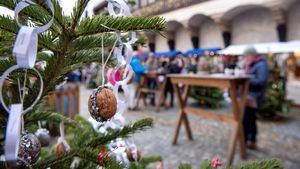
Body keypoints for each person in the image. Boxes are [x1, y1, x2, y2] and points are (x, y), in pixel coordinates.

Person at [243, 47, 269, 149]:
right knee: (248, 119)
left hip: (254, 97)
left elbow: (261, 81)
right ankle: (247, 139)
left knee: (249, 119)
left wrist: (246, 78)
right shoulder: (252, 64)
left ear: (252, 55)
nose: (245, 58)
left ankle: (250, 140)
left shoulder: (261, 65)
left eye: (247, 56)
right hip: (248, 96)